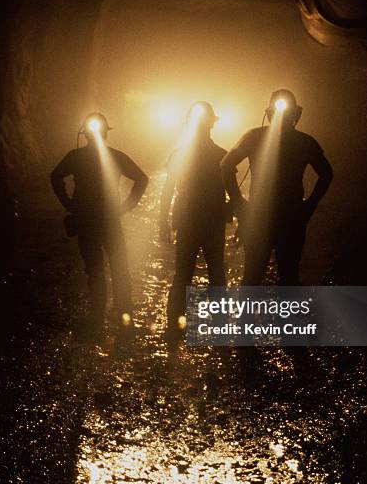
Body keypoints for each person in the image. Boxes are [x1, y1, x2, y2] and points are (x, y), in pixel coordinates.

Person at [220, 89, 333, 285]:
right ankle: (285, 315)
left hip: (262, 218)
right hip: (290, 217)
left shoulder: (254, 136)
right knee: (287, 277)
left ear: (269, 113)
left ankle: (246, 316)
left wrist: (239, 203)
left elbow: (225, 165)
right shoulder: (305, 142)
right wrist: (309, 206)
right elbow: (326, 174)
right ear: (296, 114)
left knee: (253, 277)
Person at [50, 113, 148, 334]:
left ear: (84, 134)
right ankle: (124, 314)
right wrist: (126, 206)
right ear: (105, 133)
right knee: (118, 266)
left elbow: (55, 177)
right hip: (108, 219)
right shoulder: (116, 156)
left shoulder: (75, 157)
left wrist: (68, 204)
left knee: (94, 268)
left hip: (86, 218)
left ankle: (97, 316)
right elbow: (142, 179)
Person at [160, 102, 231, 338]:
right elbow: (233, 192)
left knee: (184, 274)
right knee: (215, 272)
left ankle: (175, 327)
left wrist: (163, 221)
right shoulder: (222, 156)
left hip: (191, 220)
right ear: (213, 123)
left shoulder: (181, 154)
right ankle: (219, 327)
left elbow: (168, 190)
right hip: (211, 221)